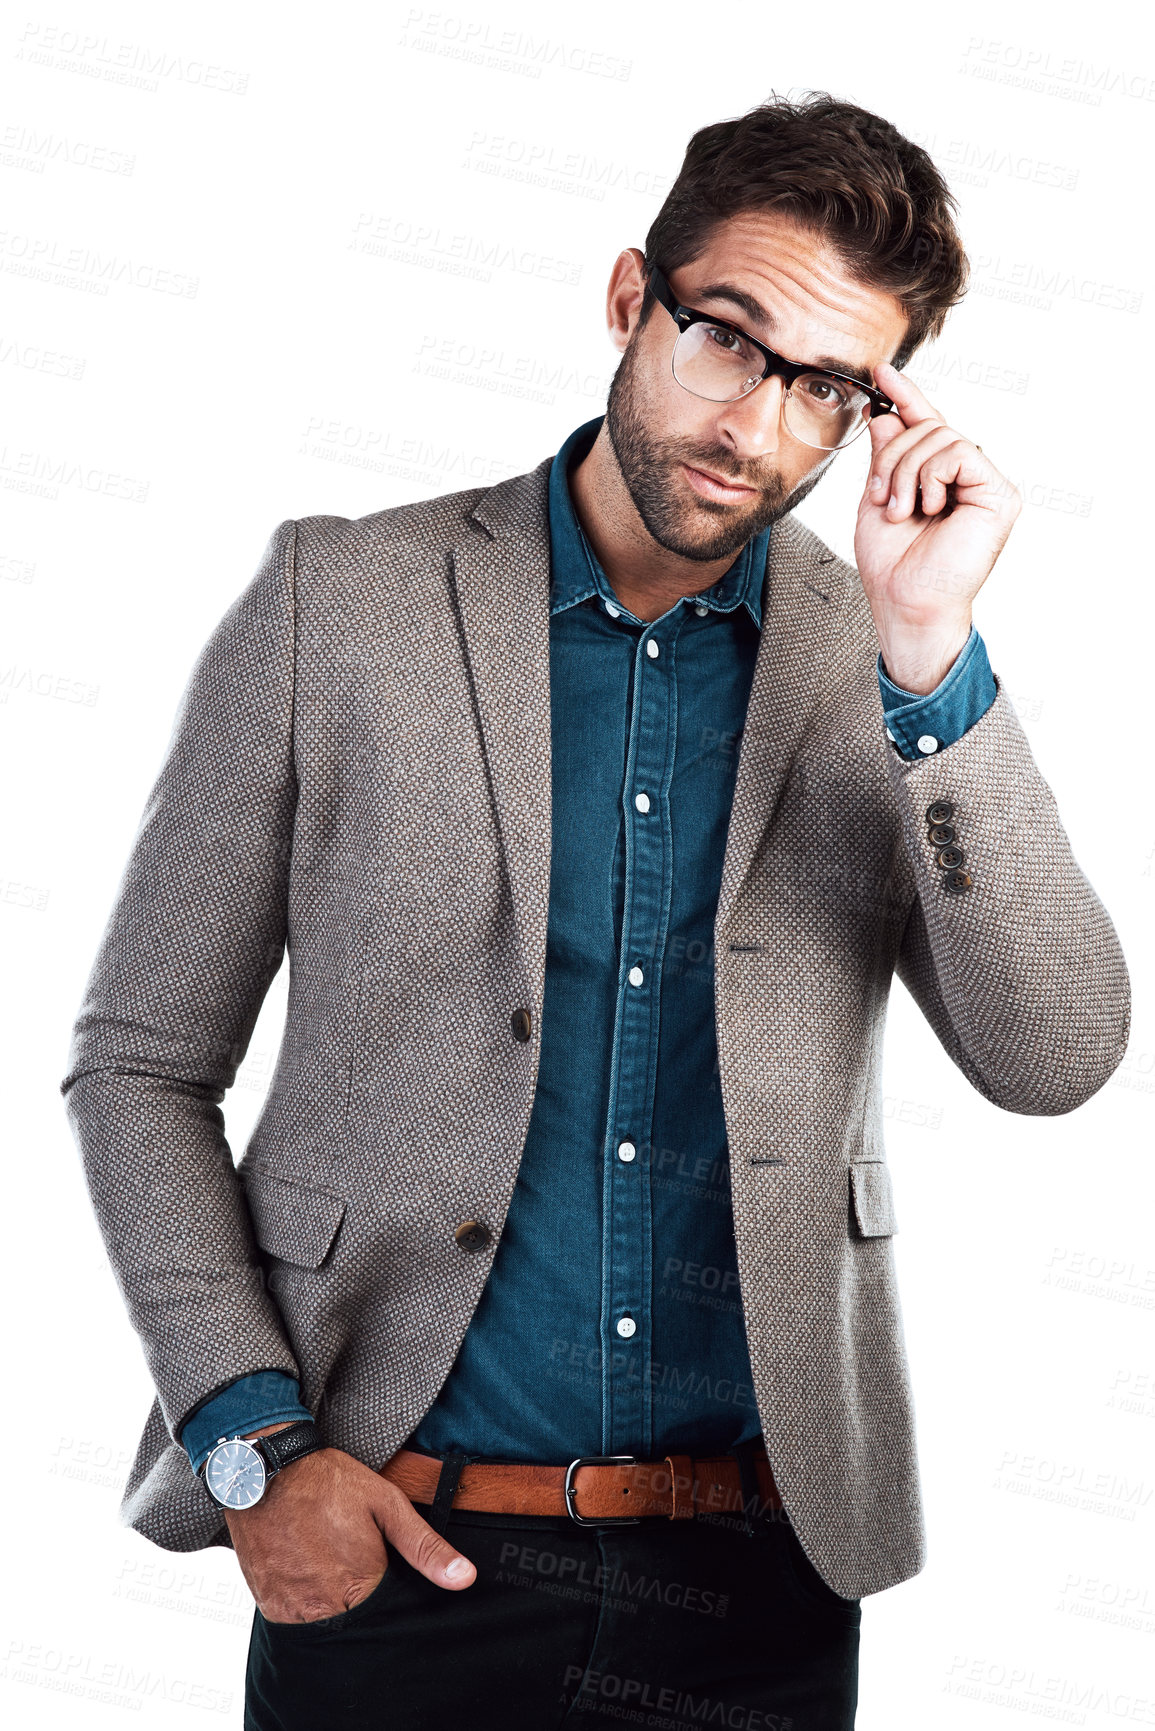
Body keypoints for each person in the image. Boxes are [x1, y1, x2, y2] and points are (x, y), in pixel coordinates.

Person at [61, 92, 1130, 1730]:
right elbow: (139, 1061)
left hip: (758, 1586)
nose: (758, 427)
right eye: (728, 340)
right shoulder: (337, 603)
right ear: (632, 299)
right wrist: (254, 1450)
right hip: (396, 1552)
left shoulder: (885, 668)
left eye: (827, 388)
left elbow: (1056, 1056)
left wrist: (931, 662)